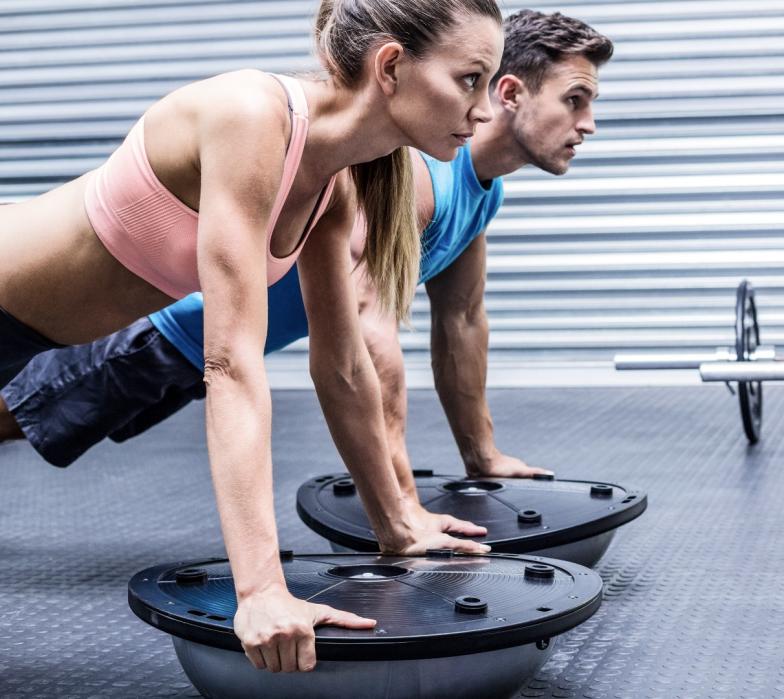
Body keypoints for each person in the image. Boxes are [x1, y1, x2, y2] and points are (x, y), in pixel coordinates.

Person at [0, 0, 504, 673]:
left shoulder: (336, 188)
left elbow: (343, 366)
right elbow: (231, 362)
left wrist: (398, 522)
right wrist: (262, 589)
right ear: (390, 66)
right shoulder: (252, 115)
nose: (484, 109)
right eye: (470, 79)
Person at [0, 11, 614, 500]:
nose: (588, 124)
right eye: (575, 99)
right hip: (160, 330)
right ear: (510, 92)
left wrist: (482, 457)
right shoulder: (422, 178)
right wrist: (399, 503)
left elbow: (462, 322)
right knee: (12, 419)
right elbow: (368, 336)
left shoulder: (480, 191)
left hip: (209, 347)